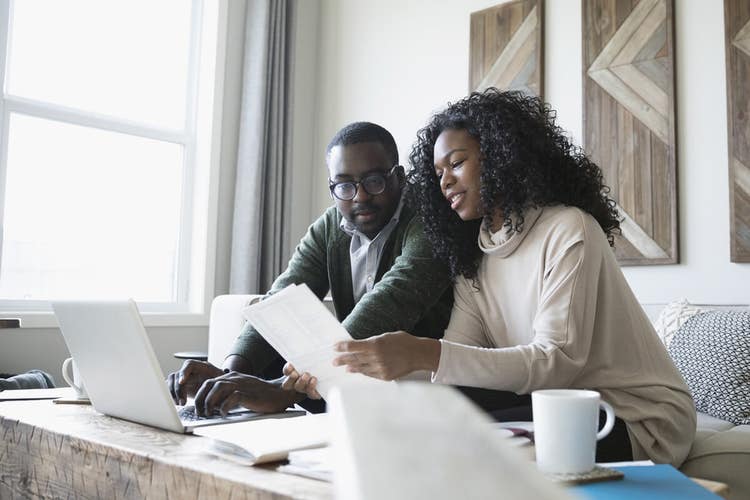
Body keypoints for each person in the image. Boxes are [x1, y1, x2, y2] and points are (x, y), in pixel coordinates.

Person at [286, 89, 696, 466]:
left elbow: (556, 362)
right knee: (427, 419)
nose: (443, 180)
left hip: (632, 417)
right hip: (553, 403)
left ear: (501, 156)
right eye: (437, 171)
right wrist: (364, 371)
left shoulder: (569, 229)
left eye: (457, 163)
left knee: (460, 443)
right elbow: (459, 362)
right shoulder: (475, 251)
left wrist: (419, 353)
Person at [167, 121, 453, 416]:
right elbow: (281, 298)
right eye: (344, 185)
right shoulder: (329, 227)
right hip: (348, 384)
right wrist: (228, 374)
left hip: (425, 391)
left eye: (374, 181)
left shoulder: (431, 217)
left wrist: (283, 389)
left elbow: (392, 300)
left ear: (399, 177)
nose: (360, 196)